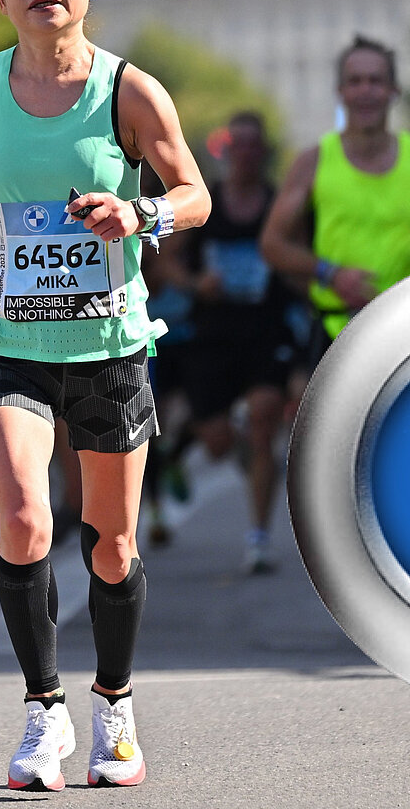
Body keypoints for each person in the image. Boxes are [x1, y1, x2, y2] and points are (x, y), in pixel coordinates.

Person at [0, 0, 211, 790]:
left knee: (112, 544)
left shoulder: (129, 90)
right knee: (23, 519)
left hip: (108, 344)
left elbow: (194, 191)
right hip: (8, 337)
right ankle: (42, 710)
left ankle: (113, 705)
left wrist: (141, 212)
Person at [259, 35, 410, 358]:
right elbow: (272, 244)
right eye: (355, 82)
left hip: (409, 328)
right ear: (340, 92)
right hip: (336, 331)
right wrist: (330, 274)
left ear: (394, 91)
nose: (365, 91)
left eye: (376, 81)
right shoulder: (313, 161)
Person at [160, 111, 301, 574]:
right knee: (218, 442)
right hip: (212, 334)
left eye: (251, 146)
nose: (243, 154)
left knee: (264, 419)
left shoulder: (280, 205)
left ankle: (259, 539)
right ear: (224, 151)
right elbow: (164, 263)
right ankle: (187, 446)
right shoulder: (205, 204)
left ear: (263, 153)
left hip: (264, 331)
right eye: (234, 145)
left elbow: (301, 256)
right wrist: (197, 283)